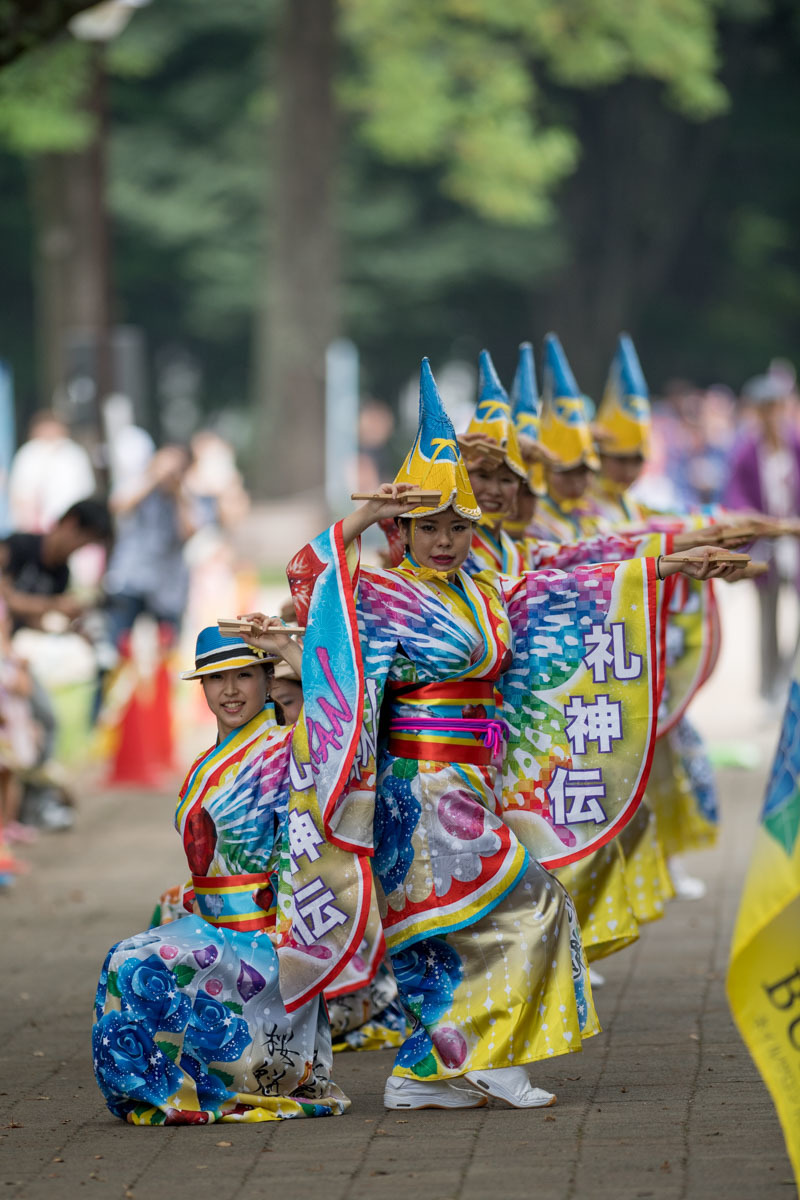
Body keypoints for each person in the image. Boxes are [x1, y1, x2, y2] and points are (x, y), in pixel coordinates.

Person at [282, 358, 734, 1112]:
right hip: (420, 788)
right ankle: (486, 1058)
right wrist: (356, 521)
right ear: (403, 528)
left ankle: (423, 1071)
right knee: (533, 907)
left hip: (469, 781)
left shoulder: (484, 587)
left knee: (445, 937)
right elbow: (312, 582)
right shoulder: (384, 594)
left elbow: (565, 578)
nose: (449, 540)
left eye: (462, 526)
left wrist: (664, 565)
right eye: (432, 527)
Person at [92, 623, 351, 1125]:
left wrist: (289, 650)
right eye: (216, 680)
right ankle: (157, 1089)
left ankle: (174, 1089)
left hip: (265, 935)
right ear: (202, 689)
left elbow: (340, 714)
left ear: (267, 680)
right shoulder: (204, 761)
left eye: (245, 676)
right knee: (125, 958)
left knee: (134, 962)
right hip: (213, 926)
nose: (230, 691)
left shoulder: (287, 747)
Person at [0, 498, 113, 829]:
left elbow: (34, 621)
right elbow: (9, 602)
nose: (79, 549)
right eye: (83, 540)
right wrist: (54, 606)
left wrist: (69, 627)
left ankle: (30, 804)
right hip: (9, 659)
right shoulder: (18, 546)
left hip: (15, 660)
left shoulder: (61, 573)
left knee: (43, 722)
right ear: (69, 523)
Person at [723, 372, 800, 702]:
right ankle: (768, 686)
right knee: (767, 619)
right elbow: (736, 494)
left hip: (796, 540)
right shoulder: (746, 451)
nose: (771, 414)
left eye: (776, 406)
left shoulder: (795, 442)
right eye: (765, 407)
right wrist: (755, 520)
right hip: (766, 542)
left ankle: (785, 675)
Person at [8, 411, 95, 534]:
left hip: (70, 527)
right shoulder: (28, 453)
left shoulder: (74, 454)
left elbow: (85, 491)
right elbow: (19, 493)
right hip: (35, 530)